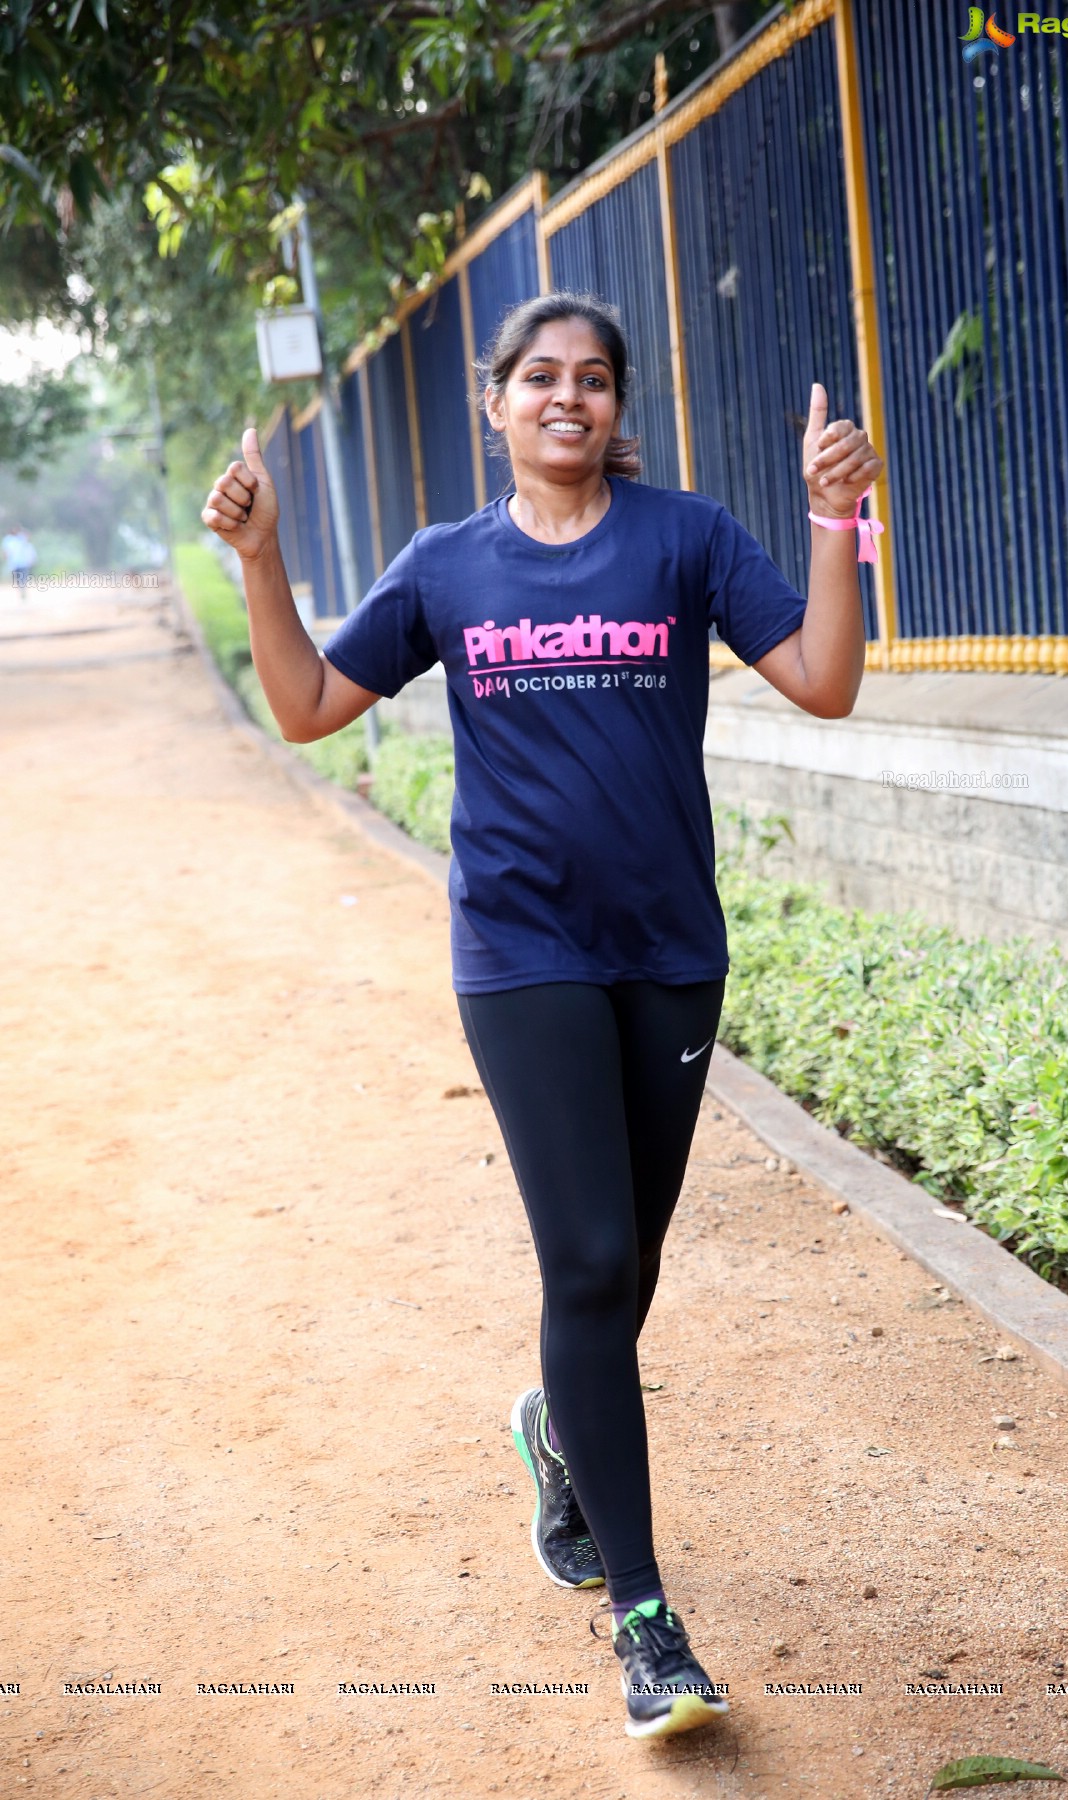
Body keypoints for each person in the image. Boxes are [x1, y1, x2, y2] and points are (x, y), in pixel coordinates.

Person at [202, 289, 882, 1741]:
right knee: (583, 1257)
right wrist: (262, 561)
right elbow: (313, 703)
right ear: (496, 403)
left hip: (669, 953)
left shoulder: (687, 540)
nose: (567, 398)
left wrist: (837, 526)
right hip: (520, 952)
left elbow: (823, 683)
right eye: (540, 378)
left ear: (615, 408)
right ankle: (646, 1621)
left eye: (592, 379)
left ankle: (555, 1431)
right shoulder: (448, 568)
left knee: (621, 1263)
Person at [2, 525, 37, 591]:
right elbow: (5, 551)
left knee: (23, 576)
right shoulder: (8, 539)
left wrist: (22, 529)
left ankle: (23, 588)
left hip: (23, 562)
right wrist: (6, 557)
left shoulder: (21, 537)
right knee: (17, 577)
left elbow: (29, 535)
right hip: (14, 563)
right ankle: (21, 588)